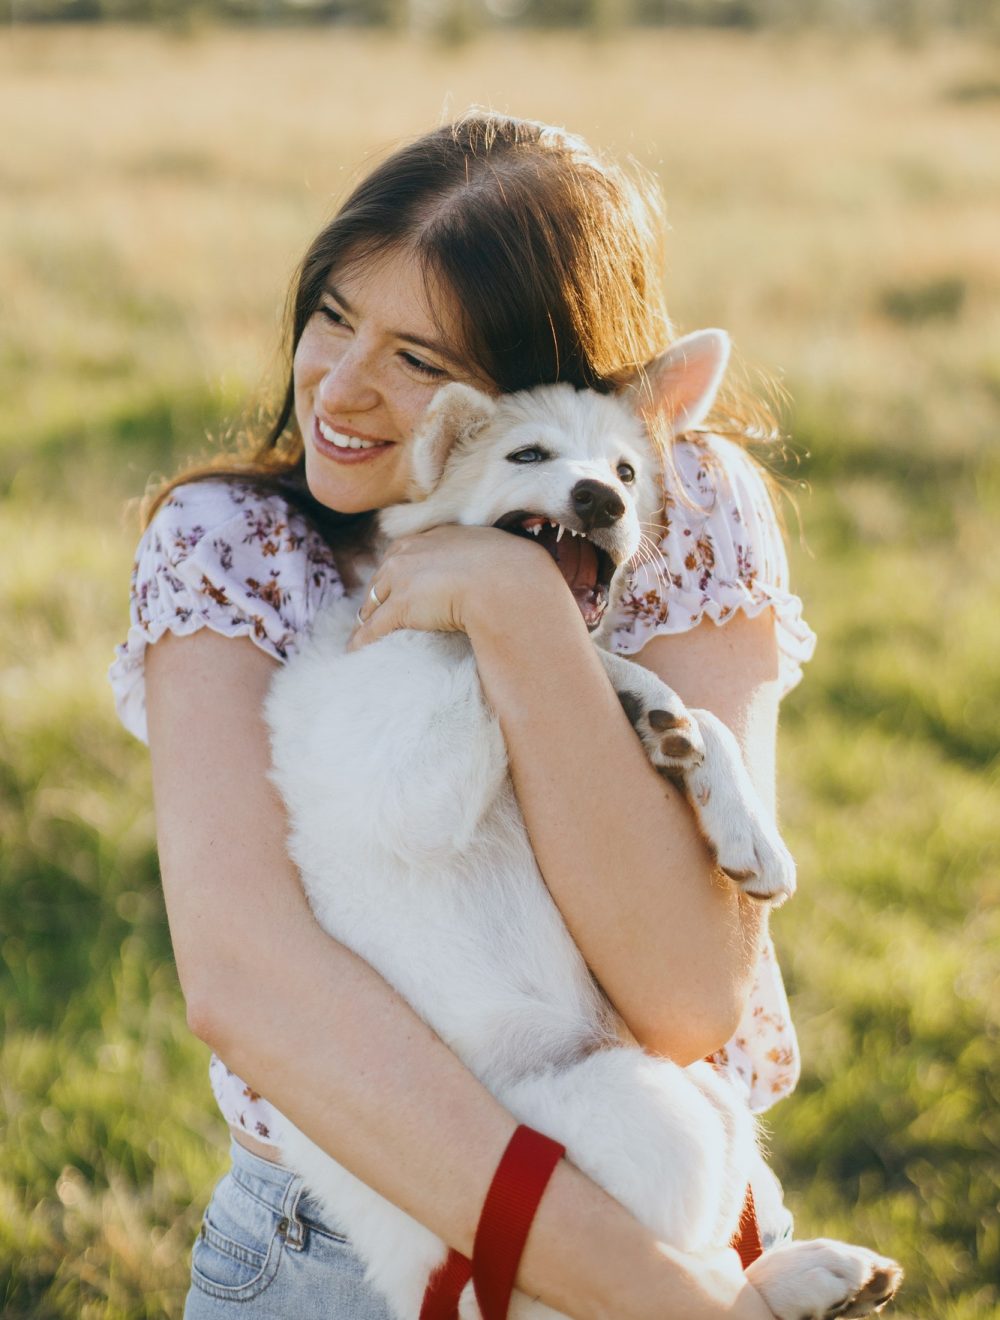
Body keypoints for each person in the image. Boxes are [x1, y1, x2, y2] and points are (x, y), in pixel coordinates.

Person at [109, 111, 816, 1320]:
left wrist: (514, 608)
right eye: (333, 315)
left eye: (420, 361)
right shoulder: (233, 548)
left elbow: (688, 995)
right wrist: (675, 1308)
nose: (340, 385)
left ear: (553, 386)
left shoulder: (681, 507)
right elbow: (252, 988)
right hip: (351, 1249)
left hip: (664, 1173)